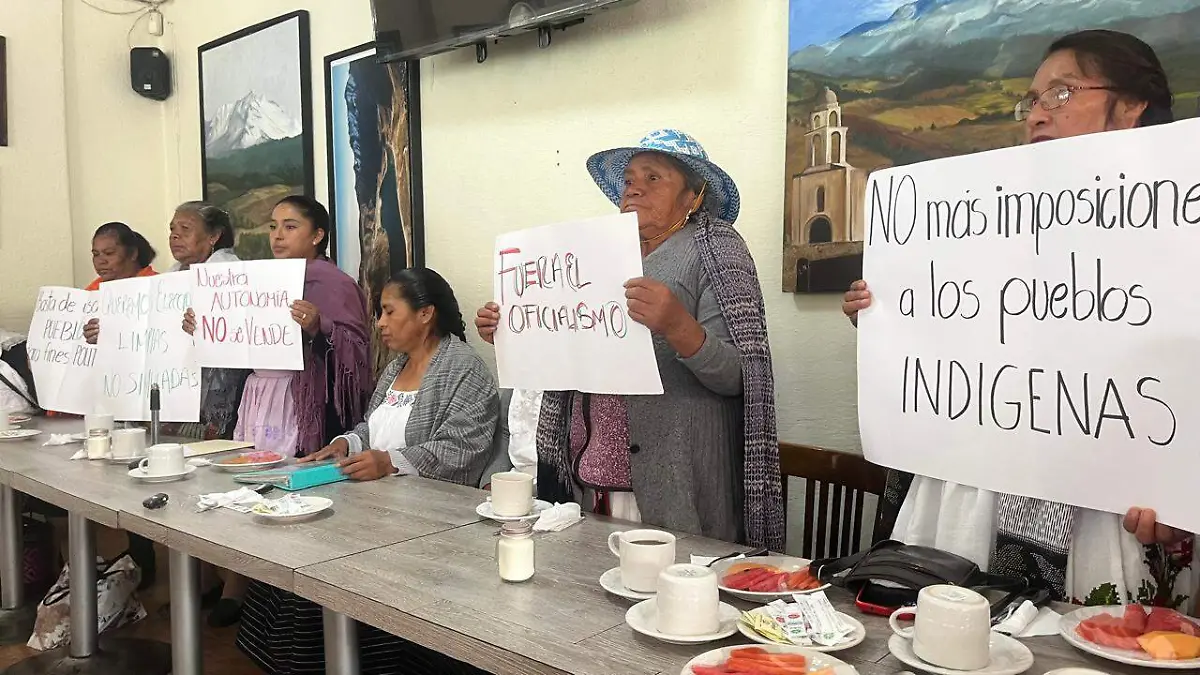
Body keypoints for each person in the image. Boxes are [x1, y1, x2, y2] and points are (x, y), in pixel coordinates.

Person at [843, 30, 1193, 606]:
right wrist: (892, 321)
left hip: (1106, 515)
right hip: (968, 495)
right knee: (938, 634)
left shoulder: (1182, 231)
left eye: (1062, 93)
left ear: (1132, 106)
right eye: (1031, 100)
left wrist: (1186, 489)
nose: (1037, 114)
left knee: (1088, 644)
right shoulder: (981, 218)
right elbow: (967, 329)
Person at [475, 129, 784, 550]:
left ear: (693, 196)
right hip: (589, 481)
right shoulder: (596, 253)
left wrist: (678, 325)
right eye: (629, 179)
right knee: (589, 585)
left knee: (670, 586)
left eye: (653, 178)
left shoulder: (717, 250)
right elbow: (572, 347)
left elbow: (740, 377)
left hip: (677, 485)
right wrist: (516, 334)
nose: (634, 187)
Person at [234, 268, 498, 675]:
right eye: (379, 313)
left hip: (426, 526)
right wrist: (347, 443)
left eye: (389, 312)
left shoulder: (465, 368)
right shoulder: (395, 368)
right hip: (375, 510)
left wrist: (391, 462)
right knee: (297, 564)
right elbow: (370, 427)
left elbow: (464, 447)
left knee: (337, 576)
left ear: (425, 313)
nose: (380, 323)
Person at [183, 196, 372, 627]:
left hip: (301, 399)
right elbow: (237, 336)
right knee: (248, 481)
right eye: (272, 227)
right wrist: (203, 328)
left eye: (290, 226)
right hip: (257, 394)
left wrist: (319, 326)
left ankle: (285, 592)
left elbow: (358, 349)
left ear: (317, 235)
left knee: (288, 486)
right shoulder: (260, 279)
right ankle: (237, 578)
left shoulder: (333, 283)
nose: (277, 236)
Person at [82, 222, 157, 344]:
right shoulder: (92, 291)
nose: (101, 261)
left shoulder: (158, 287)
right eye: (96, 254)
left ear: (133, 254)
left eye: (109, 253)